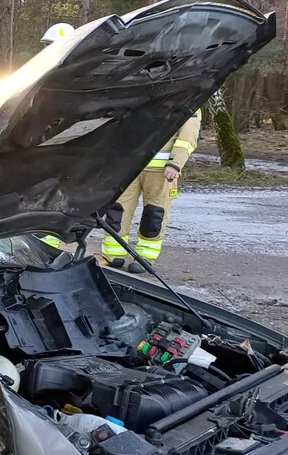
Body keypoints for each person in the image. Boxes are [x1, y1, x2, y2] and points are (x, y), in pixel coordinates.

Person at [100, 108, 202, 273]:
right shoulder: (147, 94)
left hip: (161, 171)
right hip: (129, 166)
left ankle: (144, 258)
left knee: (154, 214)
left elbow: (187, 137)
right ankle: (112, 255)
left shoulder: (190, 98)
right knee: (117, 212)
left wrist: (175, 163)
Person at [36, 23, 75, 249]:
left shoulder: (75, 79)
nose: (45, 50)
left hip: (60, 149)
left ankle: (49, 241)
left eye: (49, 46)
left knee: (55, 194)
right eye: (44, 46)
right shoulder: (41, 73)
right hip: (40, 146)